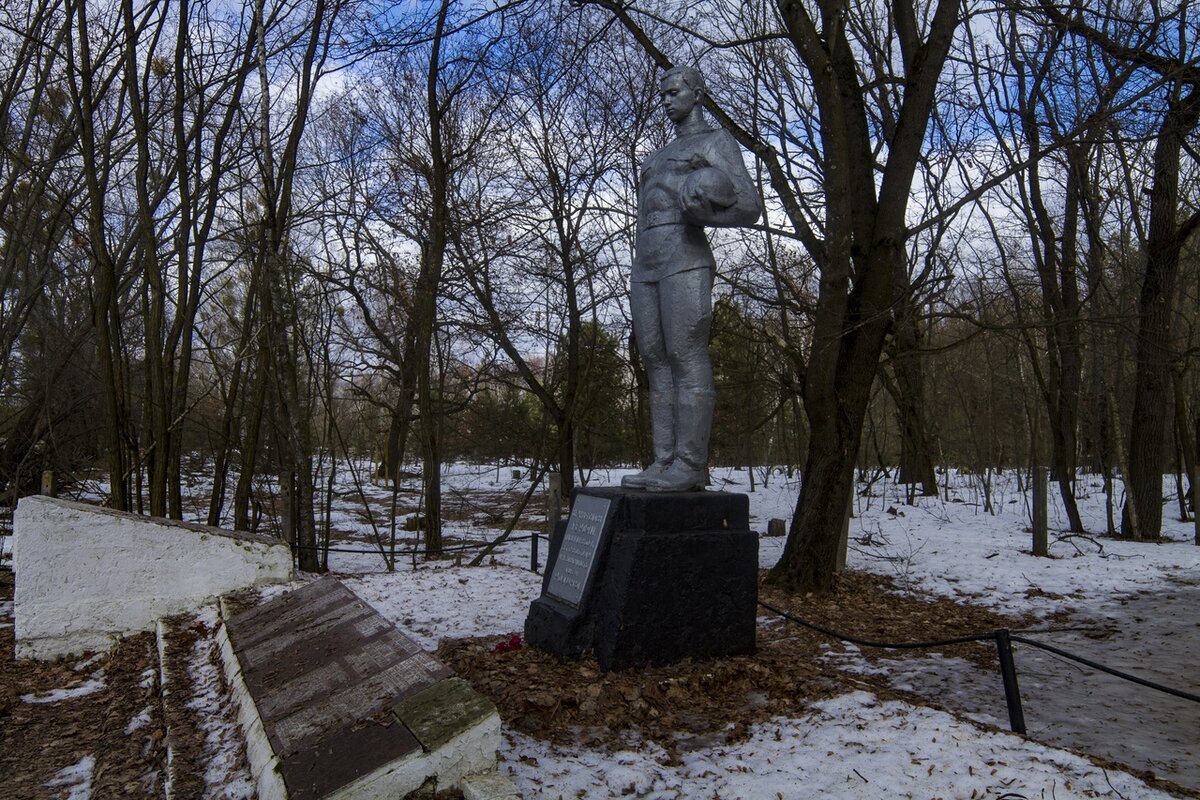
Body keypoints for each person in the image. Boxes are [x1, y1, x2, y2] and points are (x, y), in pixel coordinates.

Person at [622, 65, 762, 492]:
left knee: (685, 354)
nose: (666, 99)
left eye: (675, 91)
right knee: (655, 359)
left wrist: (705, 209)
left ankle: (689, 464)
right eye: (662, 93)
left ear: (697, 93)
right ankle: (663, 460)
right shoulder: (656, 155)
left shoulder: (716, 141)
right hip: (645, 258)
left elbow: (749, 205)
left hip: (684, 254)